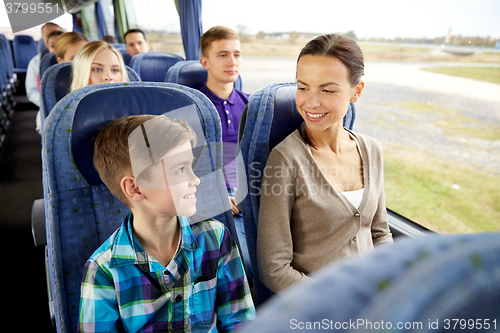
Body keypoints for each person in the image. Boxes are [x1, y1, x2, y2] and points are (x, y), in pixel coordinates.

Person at [78, 114, 256, 332]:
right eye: (180, 170)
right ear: (135, 188)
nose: (196, 179)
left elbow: (241, 321)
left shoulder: (216, 238)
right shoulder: (104, 269)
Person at [257, 34, 393, 294]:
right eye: (303, 87)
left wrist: (388, 281)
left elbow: (379, 233)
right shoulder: (285, 160)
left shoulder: (372, 150)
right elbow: (273, 269)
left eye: (327, 90)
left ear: (357, 91)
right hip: (320, 308)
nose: (311, 102)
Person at [198, 26, 252, 279]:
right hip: (214, 196)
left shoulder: (253, 105)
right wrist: (214, 191)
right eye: (222, 55)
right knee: (249, 264)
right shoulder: (193, 106)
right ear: (204, 61)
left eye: (237, 54)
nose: (232, 61)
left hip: (251, 192)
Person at [35, 32, 89, 135]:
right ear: (61, 60)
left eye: (86, 57)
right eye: (74, 58)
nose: (82, 63)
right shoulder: (54, 84)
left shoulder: (101, 79)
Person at [26, 22, 63, 107]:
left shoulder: (74, 58)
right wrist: (48, 103)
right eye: (49, 34)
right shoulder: (36, 63)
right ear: (44, 40)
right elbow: (31, 91)